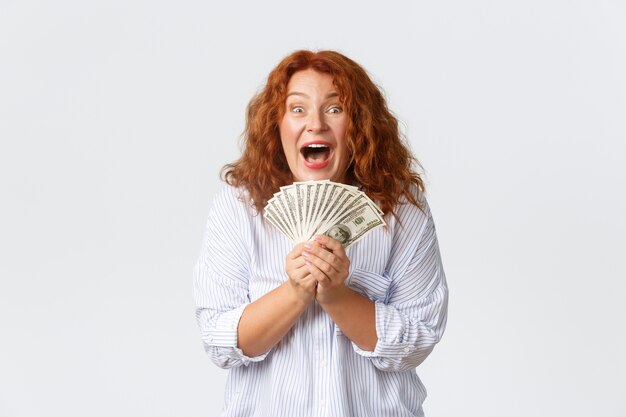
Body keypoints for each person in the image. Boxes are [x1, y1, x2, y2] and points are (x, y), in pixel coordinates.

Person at [194, 50, 448, 417]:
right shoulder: (237, 208)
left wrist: (337, 296)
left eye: (334, 108)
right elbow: (220, 342)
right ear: (277, 124)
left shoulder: (403, 211)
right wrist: (295, 292)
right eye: (297, 109)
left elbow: (417, 343)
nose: (315, 124)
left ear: (359, 124)